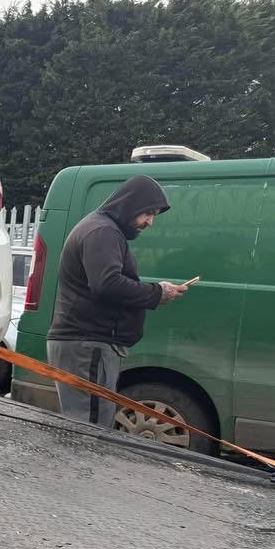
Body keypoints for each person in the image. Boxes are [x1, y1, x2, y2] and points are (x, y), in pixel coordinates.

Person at [46, 175, 191, 428]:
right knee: (89, 429)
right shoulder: (103, 232)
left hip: (87, 344)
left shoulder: (100, 228)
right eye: (148, 212)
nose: (150, 222)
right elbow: (107, 284)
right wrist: (157, 293)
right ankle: (84, 469)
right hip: (88, 345)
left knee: (87, 424)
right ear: (130, 204)